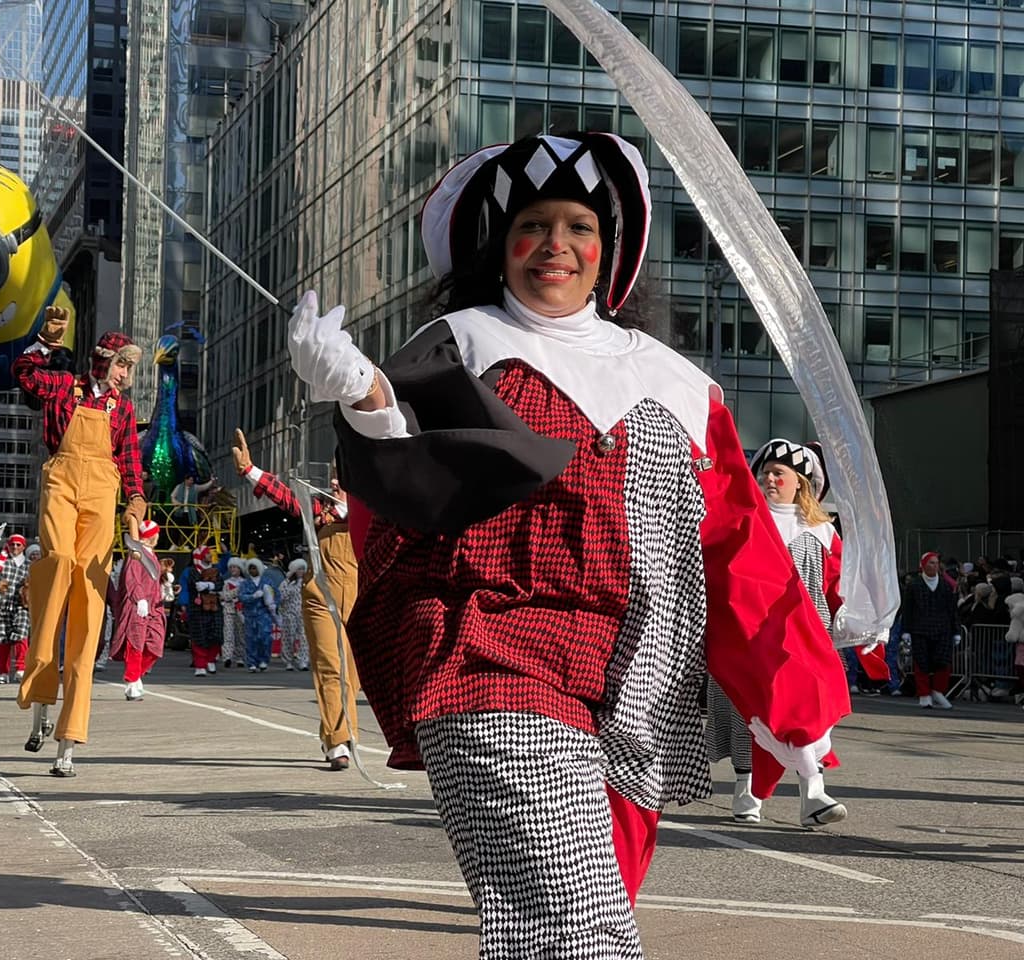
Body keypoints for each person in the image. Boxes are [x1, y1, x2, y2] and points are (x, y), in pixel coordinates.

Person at [285, 133, 851, 956]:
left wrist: (794, 698)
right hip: (493, 656)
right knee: (572, 933)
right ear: (498, 246)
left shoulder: (681, 386)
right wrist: (362, 390)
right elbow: (409, 462)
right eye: (533, 226)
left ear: (608, 250)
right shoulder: (462, 344)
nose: (556, 246)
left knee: (586, 926)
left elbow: (741, 552)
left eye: (579, 227)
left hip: (640, 700)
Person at [13, 305, 147, 777]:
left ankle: (68, 737)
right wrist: (45, 341)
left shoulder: (123, 410)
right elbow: (25, 375)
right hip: (62, 480)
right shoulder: (64, 385)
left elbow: (130, 463)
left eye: (131, 368)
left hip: (102, 487)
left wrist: (135, 500)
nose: (126, 375)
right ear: (103, 362)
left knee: (89, 601)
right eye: (123, 365)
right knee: (59, 562)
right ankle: (39, 697)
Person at [707, 439, 848, 827]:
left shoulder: (822, 532)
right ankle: (746, 787)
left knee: (810, 709)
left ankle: (811, 795)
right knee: (750, 713)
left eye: (778, 473)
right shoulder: (747, 520)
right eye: (765, 472)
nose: (769, 479)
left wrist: (851, 618)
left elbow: (835, 585)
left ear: (800, 482)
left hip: (808, 635)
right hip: (752, 633)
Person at [232, 429, 361, 770]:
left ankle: (346, 733)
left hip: (361, 597)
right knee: (329, 666)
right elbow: (285, 496)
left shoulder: (370, 513)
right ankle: (338, 743)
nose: (335, 481)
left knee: (353, 674)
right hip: (321, 594)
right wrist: (250, 471)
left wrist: (353, 510)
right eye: (335, 474)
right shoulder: (318, 508)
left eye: (342, 476)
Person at [111, 520, 166, 700]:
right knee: (135, 643)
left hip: (154, 606)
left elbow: (153, 580)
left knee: (155, 644)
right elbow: (132, 577)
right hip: (138, 605)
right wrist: (139, 598)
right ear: (153, 535)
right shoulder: (136, 553)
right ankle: (132, 682)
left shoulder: (152, 555)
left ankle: (134, 676)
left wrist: (163, 591)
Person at [902, 551, 961, 709]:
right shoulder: (914, 585)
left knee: (943, 661)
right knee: (921, 662)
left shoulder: (945, 585)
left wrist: (956, 631)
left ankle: (938, 690)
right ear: (923, 565)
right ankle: (924, 693)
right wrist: (906, 630)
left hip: (942, 629)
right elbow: (908, 609)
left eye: (936, 563)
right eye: (931, 563)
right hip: (920, 629)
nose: (934, 566)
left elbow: (952, 610)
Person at [0, 534, 31, 681]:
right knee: (2, 638)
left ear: (23, 546)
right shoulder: (2, 563)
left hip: (21, 605)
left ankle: (21, 668)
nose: (15, 547)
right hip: (3, 604)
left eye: (18, 545)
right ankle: (3, 672)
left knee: (21, 636)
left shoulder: (29, 565)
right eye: (12, 544)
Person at [186, 544, 224, 677]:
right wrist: (210, 587)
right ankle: (200, 665)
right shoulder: (193, 571)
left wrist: (210, 585)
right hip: (198, 609)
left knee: (217, 635)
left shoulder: (216, 570)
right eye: (207, 554)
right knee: (199, 637)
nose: (210, 556)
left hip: (215, 608)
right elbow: (196, 586)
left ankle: (211, 659)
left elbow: (220, 585)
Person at [238, 558, 278, 673]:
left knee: (265, 638)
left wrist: (274, 604)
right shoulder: (245, 584)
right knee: (251, 639)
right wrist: (253, 596)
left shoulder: (267, 582)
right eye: (250, 568)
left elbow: (276, 594)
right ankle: (252, 662)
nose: (252, 570)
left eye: (254, 568)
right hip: (250, 615)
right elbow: (241, 597)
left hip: (264, 614)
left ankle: (264, 660)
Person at [278, 559, 310, 671]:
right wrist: (289, 590)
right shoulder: (286, 582)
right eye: (299, 569)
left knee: (304, 637)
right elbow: (280, 598)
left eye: (302, 569)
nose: (301, 571)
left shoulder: (308, 582)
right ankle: (288, 661)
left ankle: (303, 661)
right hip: (289, 614)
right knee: (288, 637)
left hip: (303, 613)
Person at [219, 557, 245, 668]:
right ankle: (227, 657)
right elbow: (223, 596)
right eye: (232, 567)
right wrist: (235, 592)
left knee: (241, 635)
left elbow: (245, 597)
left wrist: (232, 596)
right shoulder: (225, 583)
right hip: (228, 611)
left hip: (241, 611)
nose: (233, 569)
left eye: (235, 567)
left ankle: (240, 657)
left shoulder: (245, 583)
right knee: (228, 634)